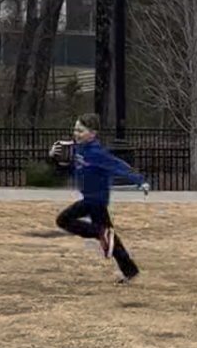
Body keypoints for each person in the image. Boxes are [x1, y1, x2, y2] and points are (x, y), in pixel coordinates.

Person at [49, 113, 150, 283]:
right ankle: (130, 271)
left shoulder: (97, 153)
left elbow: (119, 166)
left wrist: (140, 181)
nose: (76, 133)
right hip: (93, 200)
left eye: (81, 131)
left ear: (93, 133)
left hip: (95, 200)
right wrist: (53, 157)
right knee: (111, 238)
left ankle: (99, 232)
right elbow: (66, 170)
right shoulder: (78, 149)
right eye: (75, 130)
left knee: (63, 220)